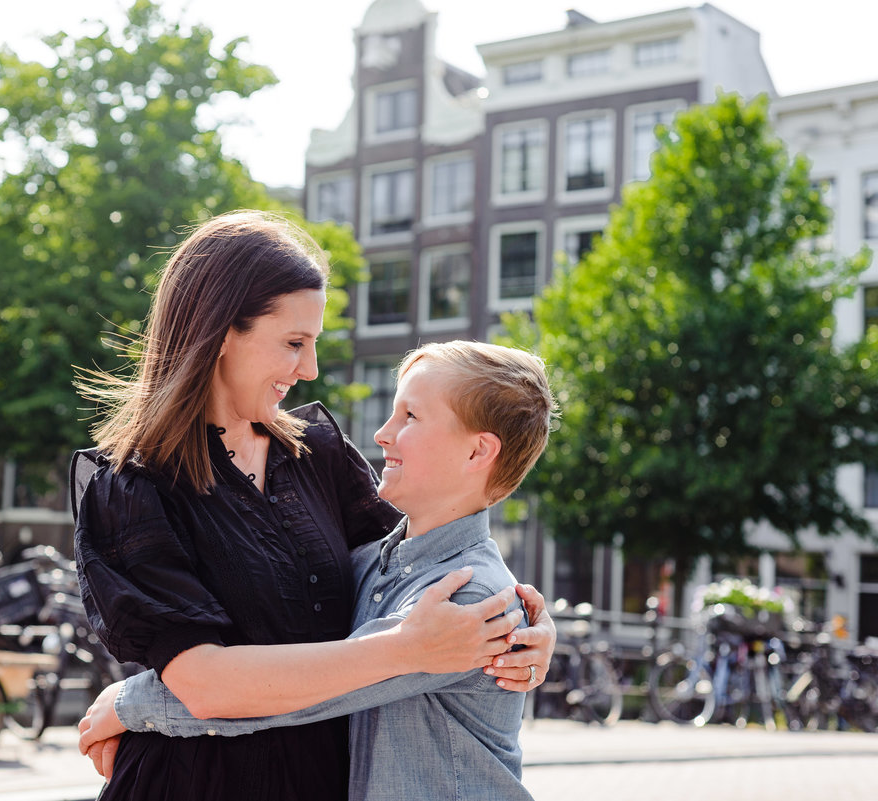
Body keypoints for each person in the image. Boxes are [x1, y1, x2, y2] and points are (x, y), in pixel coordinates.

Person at [72, 210, 555, 801]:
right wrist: (413, 649)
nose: (311, 369)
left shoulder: (317, 454)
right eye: (294, 343)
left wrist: (521, 627)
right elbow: (207, 685)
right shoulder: (132, 487)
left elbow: (415, 562)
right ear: (223, 332)